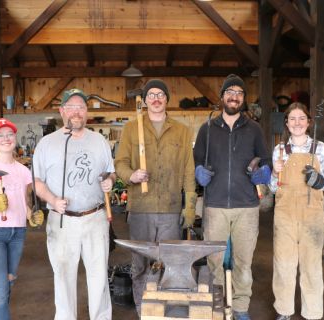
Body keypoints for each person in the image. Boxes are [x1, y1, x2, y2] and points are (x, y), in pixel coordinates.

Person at [114, 79, 196, 316]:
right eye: (151, 95)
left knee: (171, 264)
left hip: (171, 209)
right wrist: (132, 175)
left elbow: (189, 171)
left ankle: (165, 309)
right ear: (146, 100)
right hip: (141, 208)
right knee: (139, 264)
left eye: (161, 94)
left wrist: (189, 207)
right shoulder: (132, 128)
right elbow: (120, 163)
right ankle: (144, 311)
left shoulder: (182, 130)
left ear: (167, 99)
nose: (156, 98)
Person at [193, 74, 271, 320]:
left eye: (239, 93)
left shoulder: (254, 129)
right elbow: (196, 159)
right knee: (215, 262)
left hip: (246, 207)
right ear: (222, 97)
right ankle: (218, 306)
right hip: (215, 205)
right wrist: (198, 173)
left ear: (243, 99)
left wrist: (265, 172)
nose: (234, 96)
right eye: (230, 92)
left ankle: (240, 308)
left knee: (243, 263)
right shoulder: (207, 129)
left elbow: (266, 160)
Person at [33, 88, 115, 320]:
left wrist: (109, 180)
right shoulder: (46, 144)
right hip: (62, 221)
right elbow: (37, 183)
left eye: (81, 107)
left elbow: (111, 173)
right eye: (71, 107)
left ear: (87, 112)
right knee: (64, 277)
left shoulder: (99, 141)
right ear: (62, 111)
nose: (76, 112)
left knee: (99, 278)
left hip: (95, 219)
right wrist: (52, 200)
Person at [0, 118, 44, 320]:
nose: (6, 138)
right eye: (0, 135)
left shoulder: (24, 171)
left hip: (18, 233)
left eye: (10, 134)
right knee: (1, 290)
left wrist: (31, 216)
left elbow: (25, 203)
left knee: (9, 280)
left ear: (15, 138)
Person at [269, 102, 324, 320]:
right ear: (286, 124)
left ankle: (313, 313)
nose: (297, 123)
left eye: (301, 118)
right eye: (292, 119)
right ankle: (284, 311)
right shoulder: (279, 150)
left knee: (311, 266)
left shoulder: (320, 148)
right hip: (285, 216)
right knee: (284, 264)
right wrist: (273, 172)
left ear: (309, 122)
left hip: (312, 217)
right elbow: (272, 188)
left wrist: (319, 181)